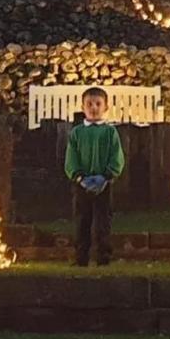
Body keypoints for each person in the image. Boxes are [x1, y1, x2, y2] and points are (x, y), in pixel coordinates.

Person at [63, 86, 125, 266]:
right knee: (82, 221)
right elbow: (71, 157)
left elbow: (117, 155)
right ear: (82, 107)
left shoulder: (110, 132)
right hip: (82, 184)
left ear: (105, 107)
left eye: (98, 104)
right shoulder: (77, 133)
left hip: (104, 184)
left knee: (102, 222)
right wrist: (79, 177)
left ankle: (103, 257)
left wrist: (108, 175)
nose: (94, 108)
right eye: (89, 104)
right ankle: (81, 257)